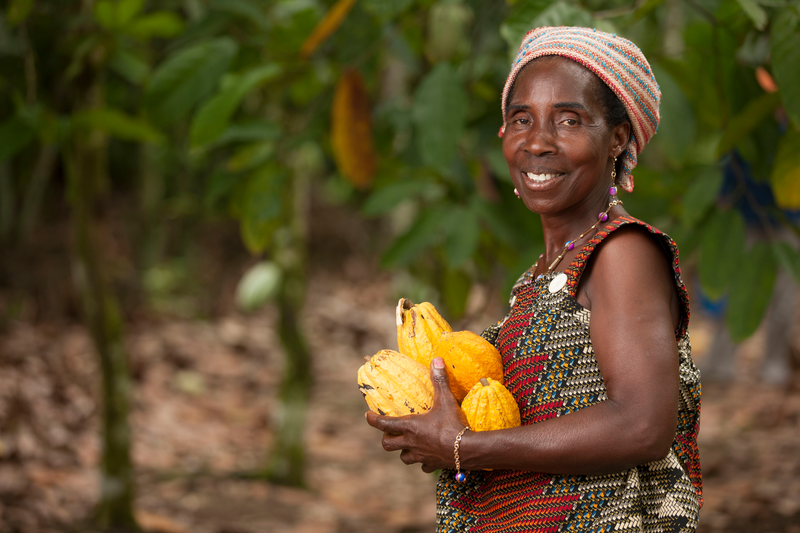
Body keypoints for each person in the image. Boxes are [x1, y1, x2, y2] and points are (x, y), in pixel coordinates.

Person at [366, 26, 702, 532]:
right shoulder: (540, 276)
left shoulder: (621, 252)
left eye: (569, 120)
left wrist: (466, 448)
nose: (538, 142)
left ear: (617, 138)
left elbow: (642, 425)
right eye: (521, 118)